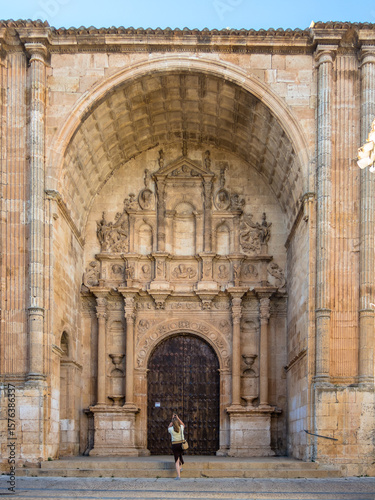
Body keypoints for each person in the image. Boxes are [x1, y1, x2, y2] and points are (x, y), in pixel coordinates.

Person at [168, 413, 185, 480]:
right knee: (180, 455)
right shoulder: (181, 427)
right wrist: (177, 418)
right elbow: (183, 424)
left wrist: (173, 420)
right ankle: (180, 467)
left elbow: (168, 427)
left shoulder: (171, 429)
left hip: (175, 445)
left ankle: (178, 476)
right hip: (181, 444)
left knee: (177, 460)